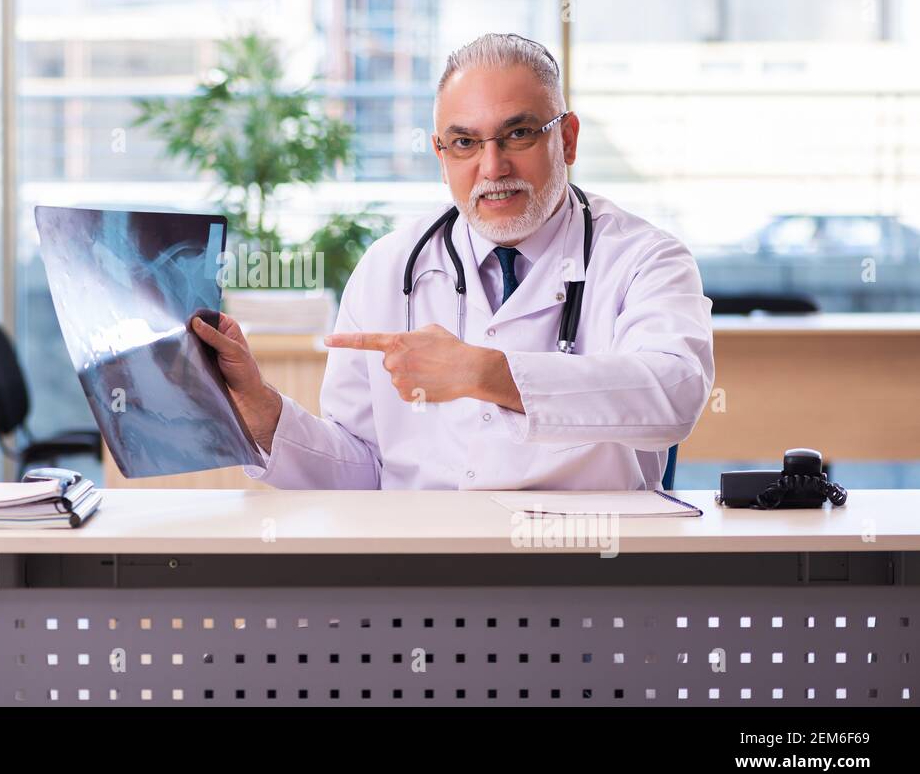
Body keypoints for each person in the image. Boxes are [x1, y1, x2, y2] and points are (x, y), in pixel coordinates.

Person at [191, 32, 715, 490]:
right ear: (442, 156)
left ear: (568, 138)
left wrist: (483, 372)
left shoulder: (644, 257)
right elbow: (359, 473)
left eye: (519, 133)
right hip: (422, 573)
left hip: (585, 572)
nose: (493, 166)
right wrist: (261, 410)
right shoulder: (390, 268)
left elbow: (675, 391)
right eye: (465, 142)